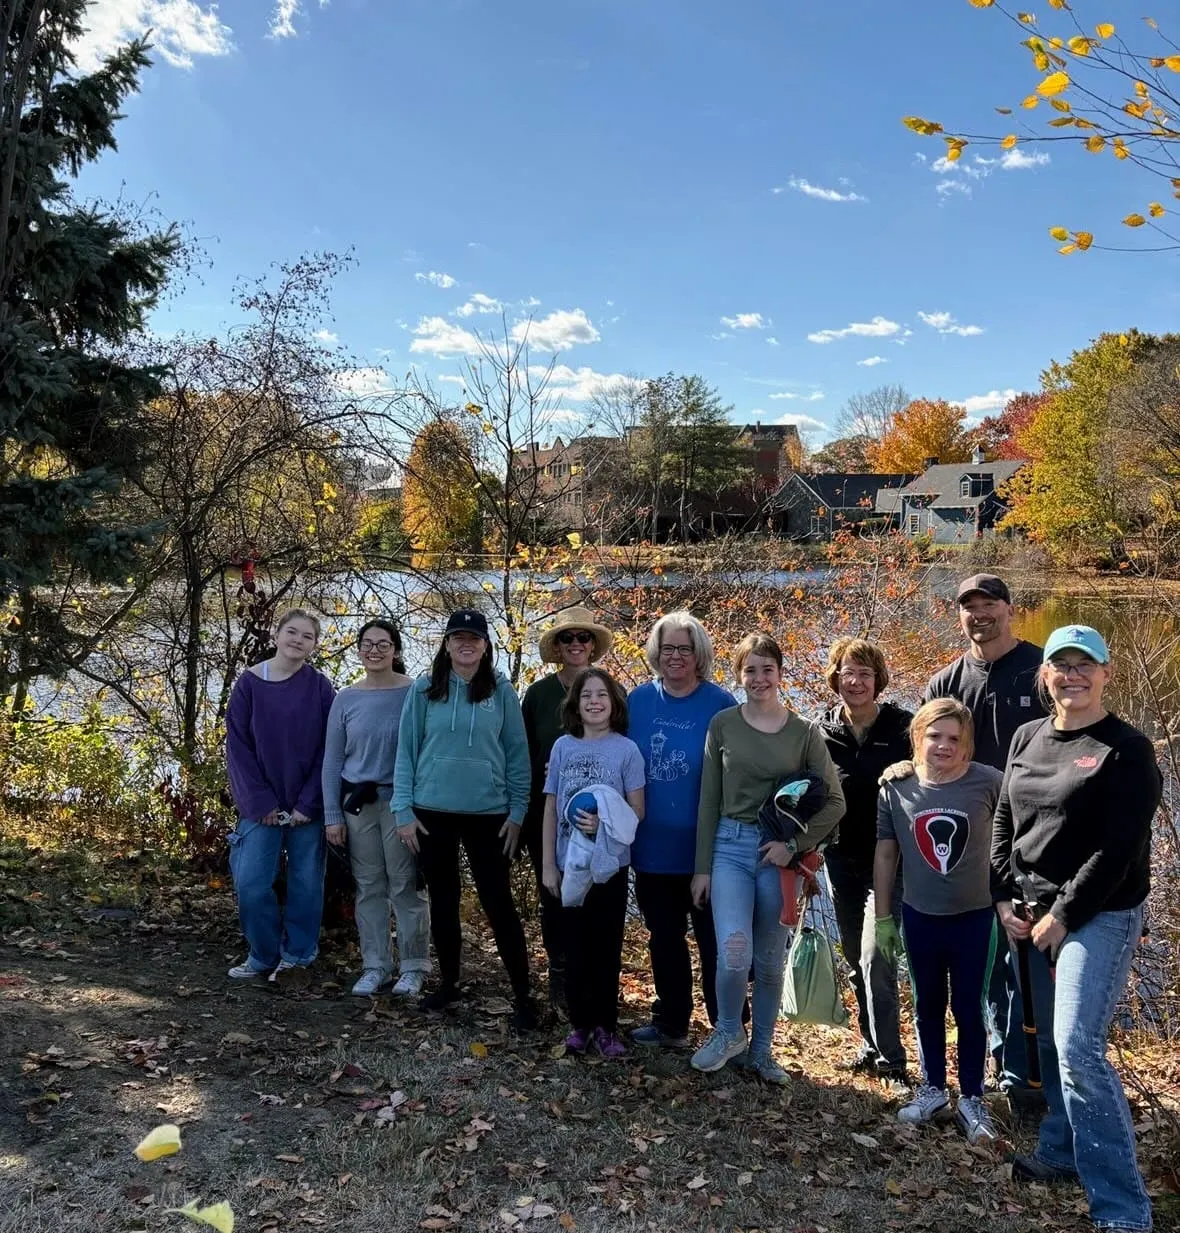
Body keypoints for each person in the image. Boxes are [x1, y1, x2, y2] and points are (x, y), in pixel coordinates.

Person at [993, 625, 1159, 1232]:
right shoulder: (1026, 736)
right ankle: (1061, 1154)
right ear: (1046, 675)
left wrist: (1063, 916)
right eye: (1061, 664)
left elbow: (1119, 850)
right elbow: (1006, 820)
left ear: (1106, 673)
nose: (1072, 675)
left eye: (1085, 664)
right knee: (1048, 1043)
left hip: (1101, 913)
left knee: (1077, 1046)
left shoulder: (1127, 748)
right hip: (1029, 913)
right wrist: (1001, 896)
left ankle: (1123, 1210)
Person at [690, 632, 845, 1083]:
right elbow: (708, 801)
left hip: (780, 858)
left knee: (771, 960)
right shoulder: (723, 724)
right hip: (730, 847)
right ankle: (727, 1032)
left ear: (780, 672)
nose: (759, 678)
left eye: (767, 669)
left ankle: (760, 1052)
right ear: (739, 675)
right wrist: (702, 867)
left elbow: (835, 802)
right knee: (734, 952)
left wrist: (793, 847)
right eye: (749, 670)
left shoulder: (804, 733)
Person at [925, 572, 1047, 1112]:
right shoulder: (946, 682)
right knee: (993, 957)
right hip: (970, 842)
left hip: (1035, 836)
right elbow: (925, 749)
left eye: (989, 604)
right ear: (959, 616)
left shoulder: (1043, 670)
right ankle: (1004, 1068)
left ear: (1009, 608)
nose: (980, 614)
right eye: (969, 606)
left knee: (1034, 958)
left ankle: (1036, 1074)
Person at [392, 608, 537, 1031]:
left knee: (499, 903)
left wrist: (517, 812)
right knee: (443, 900)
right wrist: (403, 810)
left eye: (473, 637)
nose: (466, 644)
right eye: (458, 637)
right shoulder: (424, 689)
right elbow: (406, 751)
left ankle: (523, 996)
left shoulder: (502, 691)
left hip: (489, 814)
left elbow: (517, 755)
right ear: (447, 644)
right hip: (431, 812)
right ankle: (449, 983)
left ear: (486, 645)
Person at [874, 698, 1002, 1144]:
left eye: (954, 739)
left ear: (967, 745)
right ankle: (932, 1088)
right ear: (917, 738)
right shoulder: (896, 786)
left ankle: (971, 1096)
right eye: (934, 736)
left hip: (975, 918)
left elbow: (1019, 834)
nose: (943, 746)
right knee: (926, 1004)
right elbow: (887, 852)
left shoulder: (989, 783)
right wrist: (884, 916)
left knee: (969, 1007)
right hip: (919, 916)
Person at [628, 612, 736, 1049]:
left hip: (707, 849)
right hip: (651, 847)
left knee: (715, 941)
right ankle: (671, 1022)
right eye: (668, 648)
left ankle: (728, 1028)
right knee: (664, 937)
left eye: (684, 649)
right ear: (656, 652)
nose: (675, 656)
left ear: (699, 655)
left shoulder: (721, 704)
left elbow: (740, 775)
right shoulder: (636, 701)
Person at [321, 619, 431, 998]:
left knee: (406, 885)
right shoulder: (346, 698)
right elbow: (331, 761)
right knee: (369, 886)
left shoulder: (414, 692)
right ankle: (376, 966)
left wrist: (417, 808)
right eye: (367, 644)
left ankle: (414, 967)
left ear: (396, 650)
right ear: (359, 650)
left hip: (401, 804)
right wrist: (332, 815)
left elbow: (425, 750)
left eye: (383, 644)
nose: (374, 651)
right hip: (357, 805)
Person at [225, 608, 335, 981]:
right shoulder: (249, 685)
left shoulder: (320, 687)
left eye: (307, 636)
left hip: (307, 809)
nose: (298, 640)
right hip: (260, 809)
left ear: (314, 645)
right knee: (252, 885)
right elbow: (238, 749)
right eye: (292, 632)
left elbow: (329, 750)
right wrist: (261, 803)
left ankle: (298, 955)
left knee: (306, 885)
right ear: (277, 634)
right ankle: (262, 955)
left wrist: (309, 803)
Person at [819, 637, 912, 1080]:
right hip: (840, 860)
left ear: (878, 680)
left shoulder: (903, 728)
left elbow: (939, 766)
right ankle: (870, 1042)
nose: (855, 681)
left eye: (865, 673)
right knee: (855, 956)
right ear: (835, 677)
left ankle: (893, 1060)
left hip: (889, 863)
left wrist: (909, 768)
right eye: (847, 672)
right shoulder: (820, 731)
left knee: (878, 958)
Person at [541, 667, 645, 1058]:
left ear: (614, 703)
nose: (594, 702)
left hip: (609, 867)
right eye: (586, 696)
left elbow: (638, 811)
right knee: (574, 947)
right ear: (576, 704)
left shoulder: (626, 750)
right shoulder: (563, 748)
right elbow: (551, 806)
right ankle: (579, 1025)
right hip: (569, 866)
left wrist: (605, 823)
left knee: (605, 948)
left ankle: (606, 1026)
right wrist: (549, 864)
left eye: (601, 695)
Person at [522, 606, 615, 1009]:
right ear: (557, 647)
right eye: (567, 638)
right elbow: (521, 755)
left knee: (597, 897)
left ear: (593, 645)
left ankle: (594, 978)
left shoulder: (610, 691)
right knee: (554, 895)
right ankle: (560, 974)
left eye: (583, 638)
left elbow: (624, 750)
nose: (576, 644)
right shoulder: (539, 695)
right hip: (547, 815)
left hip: (600, 819)